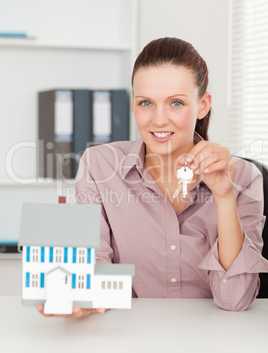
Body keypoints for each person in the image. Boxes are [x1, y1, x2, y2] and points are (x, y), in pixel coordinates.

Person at [37, 37, 268, 318]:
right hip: (129, 338)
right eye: (146, 102)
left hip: (212, 343)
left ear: (203, 105)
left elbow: (235, 299)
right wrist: (82, 300)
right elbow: (95, 267)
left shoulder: (244, 177)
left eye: (176, 103)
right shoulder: (99, 166)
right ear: (133, 105)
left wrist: (224, 196)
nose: (159, 120)